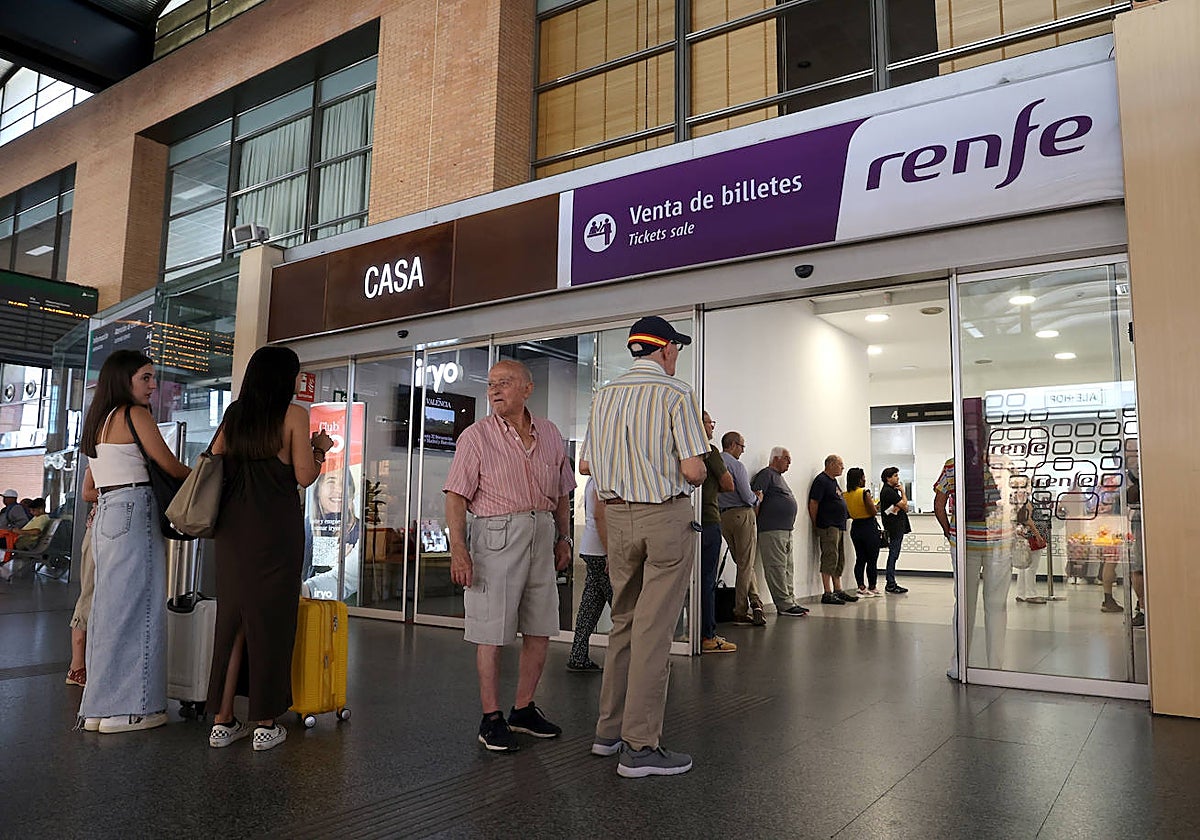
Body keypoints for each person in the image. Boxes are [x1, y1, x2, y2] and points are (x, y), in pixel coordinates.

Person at [581, 315, 708, 778]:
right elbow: (693, 471)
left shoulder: (604, 395)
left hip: (617, 518)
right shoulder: (676, 394)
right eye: (677, 349)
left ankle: (608, 732)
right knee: (655, 629)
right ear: (667, 350)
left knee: (624, 622)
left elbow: (586, 463)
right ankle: (640, 746)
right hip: (663, 516)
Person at [206, 346, 333, 752]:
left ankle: (223, 721)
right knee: (272, 622)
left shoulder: (235, 415)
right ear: (284, 378)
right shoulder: (293, 415)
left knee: (234, 620)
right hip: (275, 530)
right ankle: (265, 723)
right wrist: (319, 449)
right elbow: (304, 476)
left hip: (232, 531)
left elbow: (213, 459)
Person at [444, 359, 575, 753]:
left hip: (542, 532)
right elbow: (455, 496)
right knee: (491, 631)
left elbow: (563, 493)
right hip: (496, 535)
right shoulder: (476, 436)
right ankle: (491, 718)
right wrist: (459, 550)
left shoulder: (550, 433)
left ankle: (523, 709)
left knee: (539, 626)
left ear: (527, 388)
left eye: (504, 382)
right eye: (490, 385)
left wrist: (564, 537)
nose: (495, 390)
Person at [76, 349, 190, 734]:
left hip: (107, 511)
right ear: (124, 379)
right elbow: (169, 465)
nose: (153, 385)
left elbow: (89, 488)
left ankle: (98, 707)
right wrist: (209, 477)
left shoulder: (96, 421)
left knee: (109, 613)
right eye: (146, 377)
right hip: (134, 508)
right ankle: (134, 708)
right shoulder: (133, 415)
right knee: (140, 608)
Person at [933, 440, 1008, 679]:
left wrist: (949, 531)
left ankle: (959, 665)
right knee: (996, 605)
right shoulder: (999, 466)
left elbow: (939, 504)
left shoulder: (952, 466)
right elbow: (1012, 502)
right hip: (997, 542)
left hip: (964, 542)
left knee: (964, 603)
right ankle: (995, 666)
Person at [750, 447, 808, 616]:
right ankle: (784, 604)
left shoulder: (779, 478)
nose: (789, 462)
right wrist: (754, 525)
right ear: (775, 459)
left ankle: (790, 599)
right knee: (776, 567)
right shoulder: (766, 474)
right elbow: (756, 500)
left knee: (787, 567)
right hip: (771, 529)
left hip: (785, 530)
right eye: (786, 459)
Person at [718, 431, 765, 626]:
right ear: (733, 444)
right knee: (746, 563)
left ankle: (756, 602)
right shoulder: (736, 465)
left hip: (722, 516)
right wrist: (758, 498)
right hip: (742, 515)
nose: (743, 451)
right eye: (742, 446)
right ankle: (740, 609)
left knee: (743, 562)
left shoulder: (715, 462)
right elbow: (746, 495)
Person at [699, 411, 736, 653]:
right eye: (710, 422)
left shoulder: (678, 449)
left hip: (682, 522)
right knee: (707, 580)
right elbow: (728, 484)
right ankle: (708, 635)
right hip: (708, 521)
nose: (713, 426)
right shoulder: (709, 451)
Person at [567, 477, 613, 672]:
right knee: (623, 609)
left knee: (590, 604)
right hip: (602, 552)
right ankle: (641, 659)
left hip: (591, 547)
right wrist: (610, 551)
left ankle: (578, 655)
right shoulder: (603, 480)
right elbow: (600, 516)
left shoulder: (593, 481)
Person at [303, 467, 361, 602]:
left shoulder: (357, 529)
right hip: (309, 599)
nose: (339, 490)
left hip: (343, 603)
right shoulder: (308, 525)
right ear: (318, 490)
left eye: (344, 483)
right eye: (331, 481)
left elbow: (349, 579)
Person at [809, 454, 859, 605]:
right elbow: (813, 503)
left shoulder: (833, 481)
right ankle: (827, 592)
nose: (842, 467)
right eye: (840, 464)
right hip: (828, 525)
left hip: (838, 525)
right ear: (831, 464)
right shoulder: (821, 480)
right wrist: (816, 523)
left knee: (839, 558)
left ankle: (838, 589)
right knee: (830, 557)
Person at [66, 469, 99, 688]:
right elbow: (86, 493)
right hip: (97, 531)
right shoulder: (97, 456)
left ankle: (86, 664)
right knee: (89, 593)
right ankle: (77, 667)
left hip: (114, 532)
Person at [845, 468, 883, 597]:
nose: (865, 479)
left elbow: (848, 514)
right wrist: (875, 506)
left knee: (860, 558)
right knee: (872, 559)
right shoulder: (864, 492)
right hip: (869, 527)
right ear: (859, 479)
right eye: (863, 477)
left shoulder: (846, 494)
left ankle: (861, 586)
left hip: (856, 527)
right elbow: (873, 512)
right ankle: (872, 586)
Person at [878, 467, 910, 594]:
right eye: (895, 475)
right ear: (888, 478)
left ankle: (891, 581)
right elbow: (905, 506)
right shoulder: (888, 491)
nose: (898, 478)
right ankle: (890, 583)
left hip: (896, 526)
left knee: (894, 554)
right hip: (894, 527)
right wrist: (903, 492)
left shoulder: (889, 491)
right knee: (893, 554)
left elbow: (898, 507)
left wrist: (899, 505)